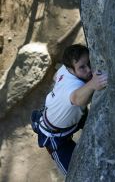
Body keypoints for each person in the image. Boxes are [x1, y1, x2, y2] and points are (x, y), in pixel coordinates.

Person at [32, 44, 108, 175]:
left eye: (89, 63)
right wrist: (94, 83)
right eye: (82, 67)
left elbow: (56, 76)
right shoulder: (75, 87)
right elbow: (76, 98)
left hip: (60, 116)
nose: (89, 69)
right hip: (54, 136)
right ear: (71, 69)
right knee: (73, 173)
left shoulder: (64, 69)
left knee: (83, 114)